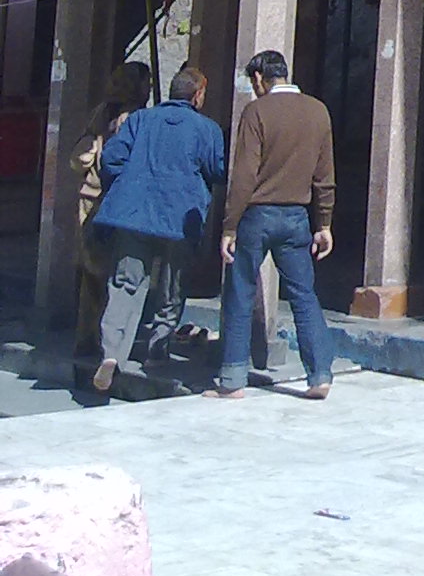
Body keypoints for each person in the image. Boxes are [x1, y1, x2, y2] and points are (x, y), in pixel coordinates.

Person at [91, 65, 226, 395]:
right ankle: (156, 350)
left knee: (125, 283)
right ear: (197, 96)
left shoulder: (140, 120)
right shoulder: (207, 129)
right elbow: (218, 170)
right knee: (172, 287)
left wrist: (132, 183)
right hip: (180, 218)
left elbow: (111, 159)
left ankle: (112, 353)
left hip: (134, 213)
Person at [213, 50, 336, 401]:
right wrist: (324, 222)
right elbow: (324, 175)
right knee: (304, 295)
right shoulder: (318, 111)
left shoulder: (256, 112)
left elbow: (244, 175)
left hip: (256, 216)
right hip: (297, 217)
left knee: (240, 292)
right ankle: (320, 375)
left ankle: (233, 379)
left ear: (258, 79)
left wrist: (229, 225)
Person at [70, 63, 152, 390]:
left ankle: (85, 339)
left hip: (88, 198)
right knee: (119, 276)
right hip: (114, 202)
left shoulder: (100, 112)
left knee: (91, 273)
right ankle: (110, 346)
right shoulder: (135, 119)